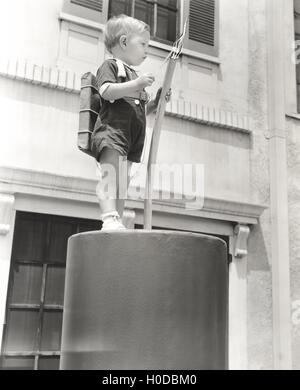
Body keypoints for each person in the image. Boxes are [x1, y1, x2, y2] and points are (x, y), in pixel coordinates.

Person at [91, 14, 170, 231]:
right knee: (110, 177)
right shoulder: (112, 66)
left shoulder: (133, 75)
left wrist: (156, 102)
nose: (147, 50)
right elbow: (106, 91)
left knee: (122, 183)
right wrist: (137, 83)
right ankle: (109, 217)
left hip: (130, 139)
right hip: (112, 133)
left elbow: (140, 109)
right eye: (143, 44)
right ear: (124, 42)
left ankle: (116, 218)